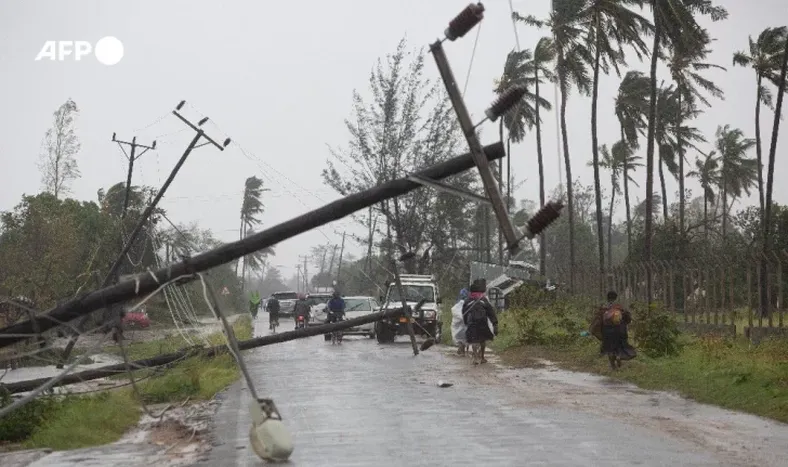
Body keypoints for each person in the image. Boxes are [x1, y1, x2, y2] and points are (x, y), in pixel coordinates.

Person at [594, 291, 634, 370]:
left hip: (607, 331)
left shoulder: (604, 307)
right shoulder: (619, 306)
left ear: (607, 298)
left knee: (609, 349)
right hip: (618, 330)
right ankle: (618, 356)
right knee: (619, 346)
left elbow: (598, 320)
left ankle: (613, 367)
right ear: (616, 297)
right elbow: (627, 317)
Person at [462, 279, 498, 365]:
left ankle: (475, 358)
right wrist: (495, 323)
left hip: (472, 322)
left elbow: (464, 313)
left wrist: (466, 322)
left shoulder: (468, 300)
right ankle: (482, 357)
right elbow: (491, 312)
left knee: (474, 340)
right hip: (482, 322)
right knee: (482, 340)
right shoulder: (483, 299)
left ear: (471, 291)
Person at [452, 288, 469, 356]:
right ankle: (462, 350)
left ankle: (461, 349)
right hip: (465, 323)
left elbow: (454, 311)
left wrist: (460, 318)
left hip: (459, 324)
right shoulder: (468, 302)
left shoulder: (458, 303)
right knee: (464, 337)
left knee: (459, 337)